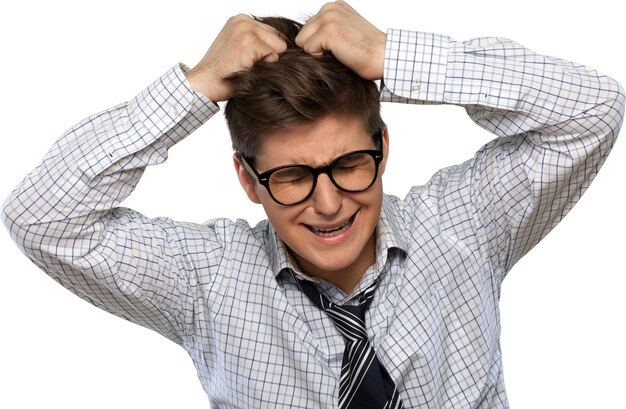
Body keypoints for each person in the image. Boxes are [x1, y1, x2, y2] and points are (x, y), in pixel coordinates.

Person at [2, 1, 624, 408]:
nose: (329, 204)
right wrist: (193, 88)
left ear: (382, 146)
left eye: (350, 164)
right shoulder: (209, 279)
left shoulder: (463, 226)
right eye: (294, 176)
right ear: (248, 180)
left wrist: (396, 58)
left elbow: (593, 109)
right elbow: (41, 215)